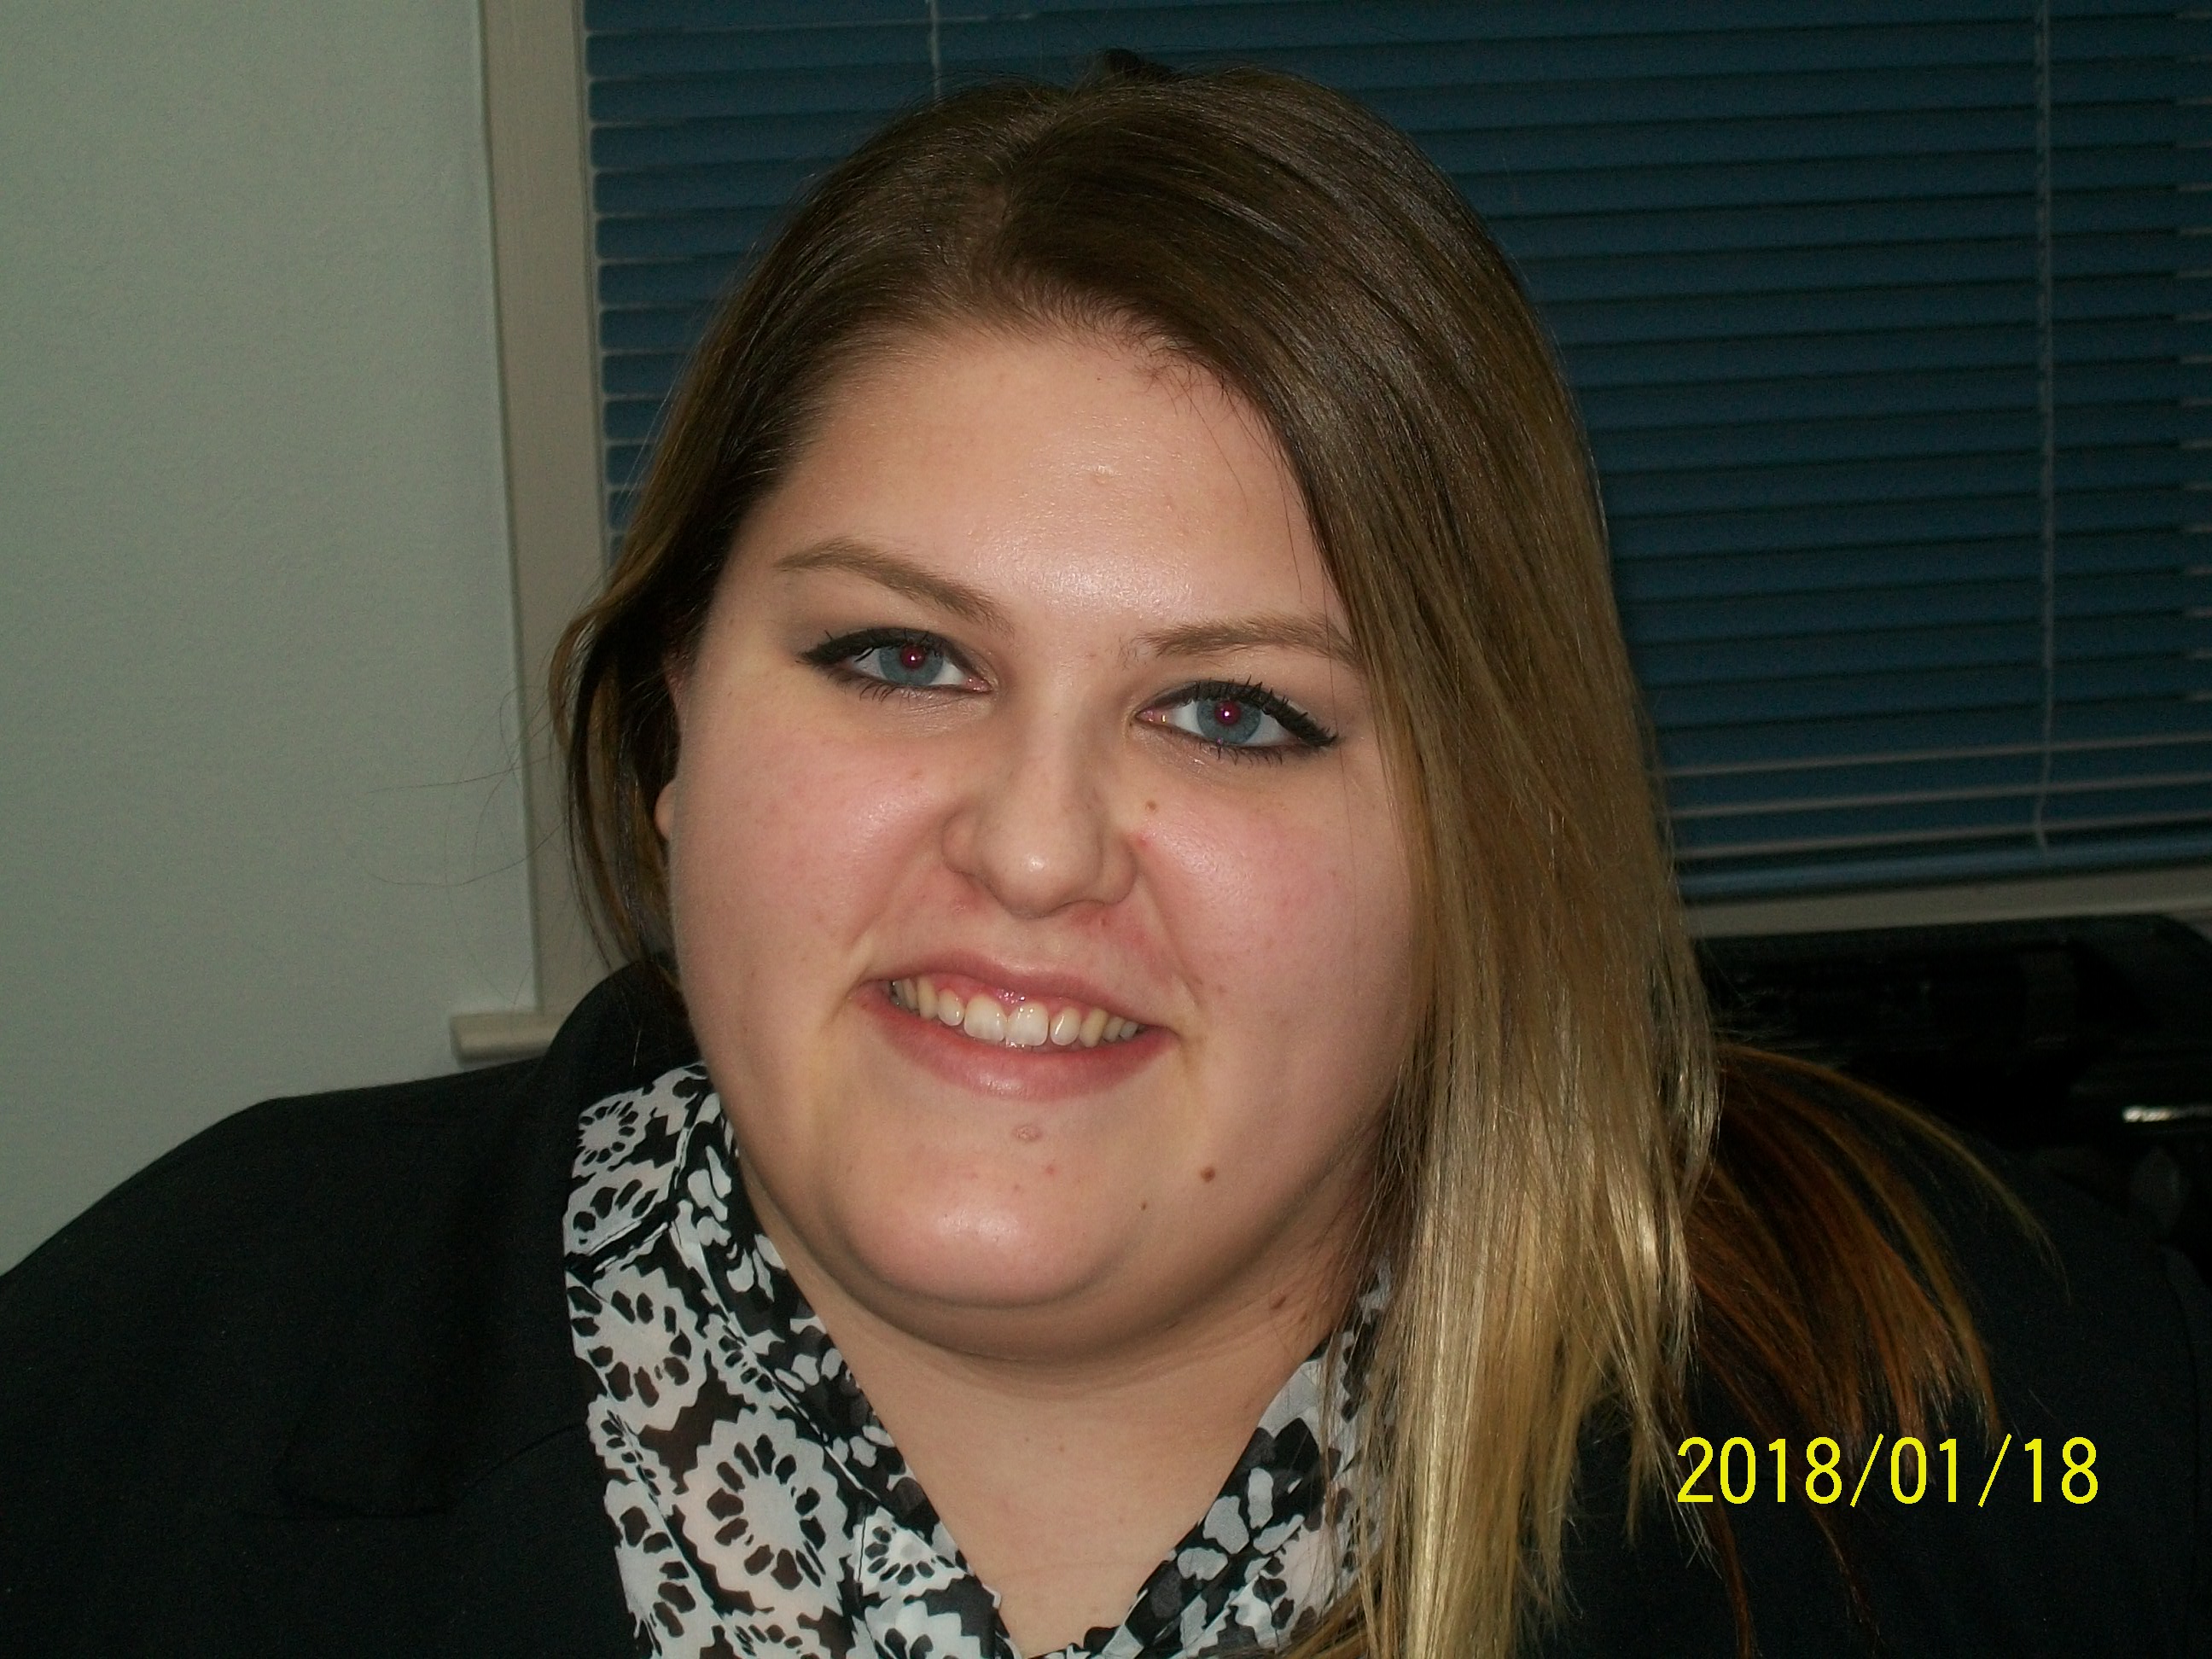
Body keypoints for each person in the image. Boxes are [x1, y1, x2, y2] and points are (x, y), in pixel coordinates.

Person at [3, 55, 2206, 1659]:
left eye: (1235, 710)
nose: (1041, 849)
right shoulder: (139, 1400)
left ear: (1490, 843)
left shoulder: (1941, 1427)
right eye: (899, 657)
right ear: (678, 729)